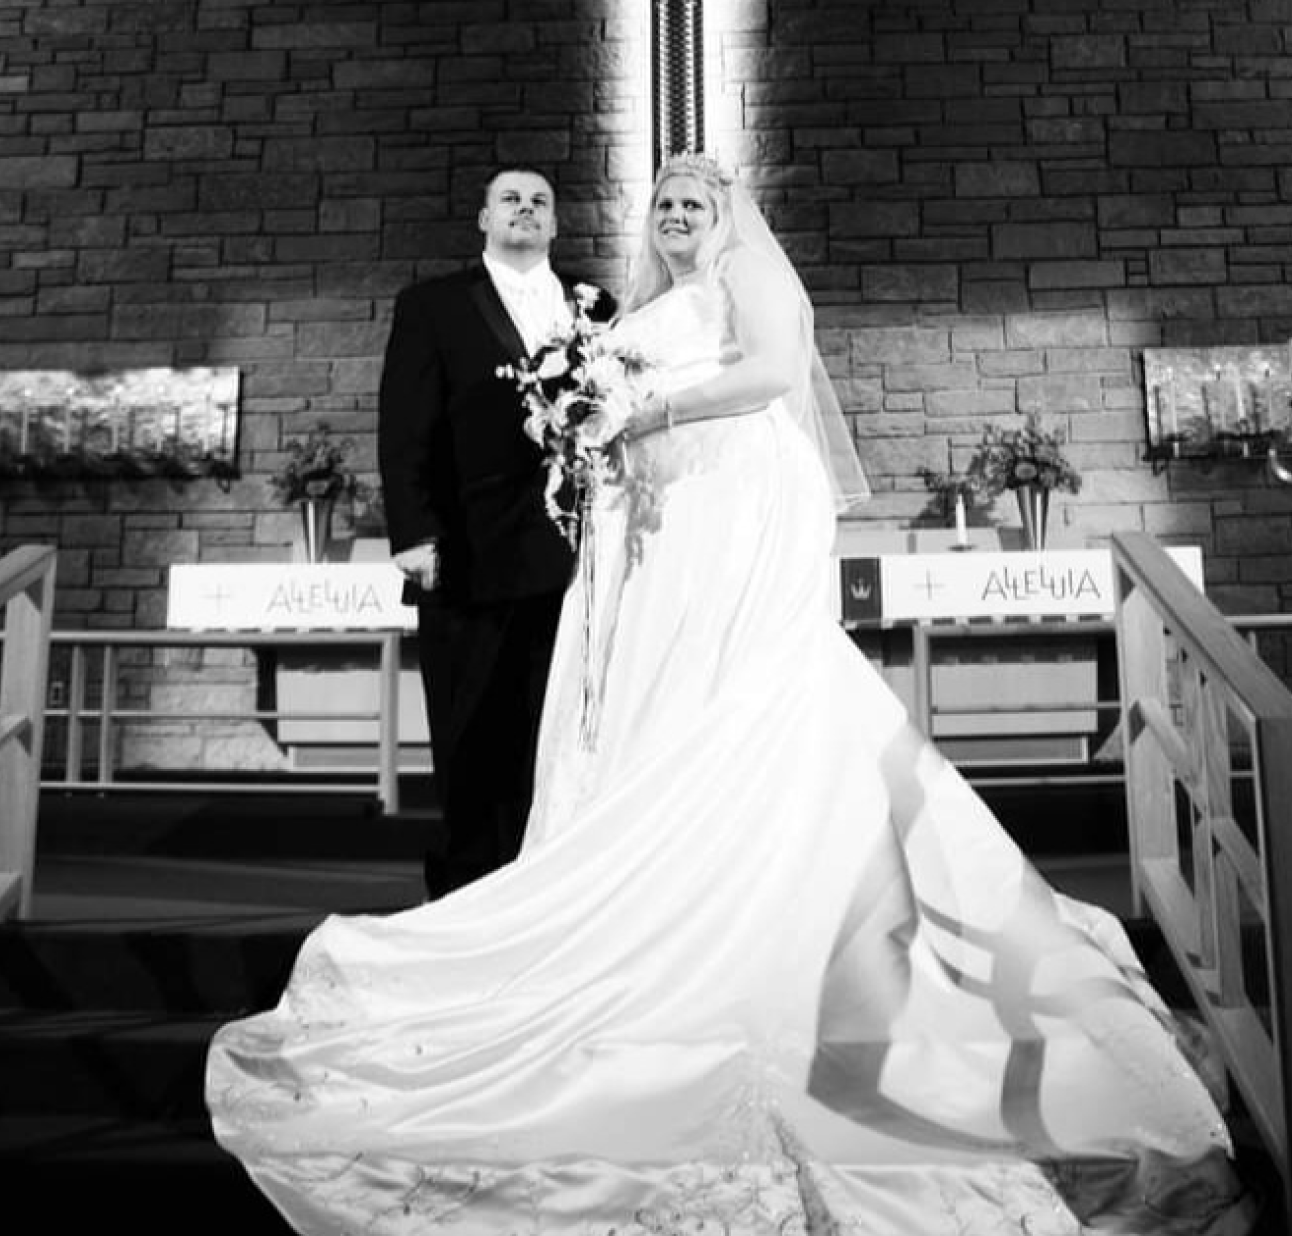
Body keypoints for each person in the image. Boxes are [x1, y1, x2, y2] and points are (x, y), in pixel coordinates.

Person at [207, 155, 1257, 1235]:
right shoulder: (628, 308)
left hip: (729, 503)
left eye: (691, 205)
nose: (672, 219)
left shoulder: (749, 282)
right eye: (661, 205)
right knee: (652, 712)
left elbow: (767, 376)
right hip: (647, 532)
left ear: (723, 216)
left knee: (750, 695)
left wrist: (642, 412)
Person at [376, 164, 616, 898]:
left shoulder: (597, 305)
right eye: (510, 199)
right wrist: (414, 535)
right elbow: (403, 427)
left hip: (574, 557)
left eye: (540, 201)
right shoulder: (433, 306)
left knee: (554, 729)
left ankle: (541, 888)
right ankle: (468, 891)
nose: (526, 209)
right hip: (469, 555)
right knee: (472, 728)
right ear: (483, 219)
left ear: (555, 224)